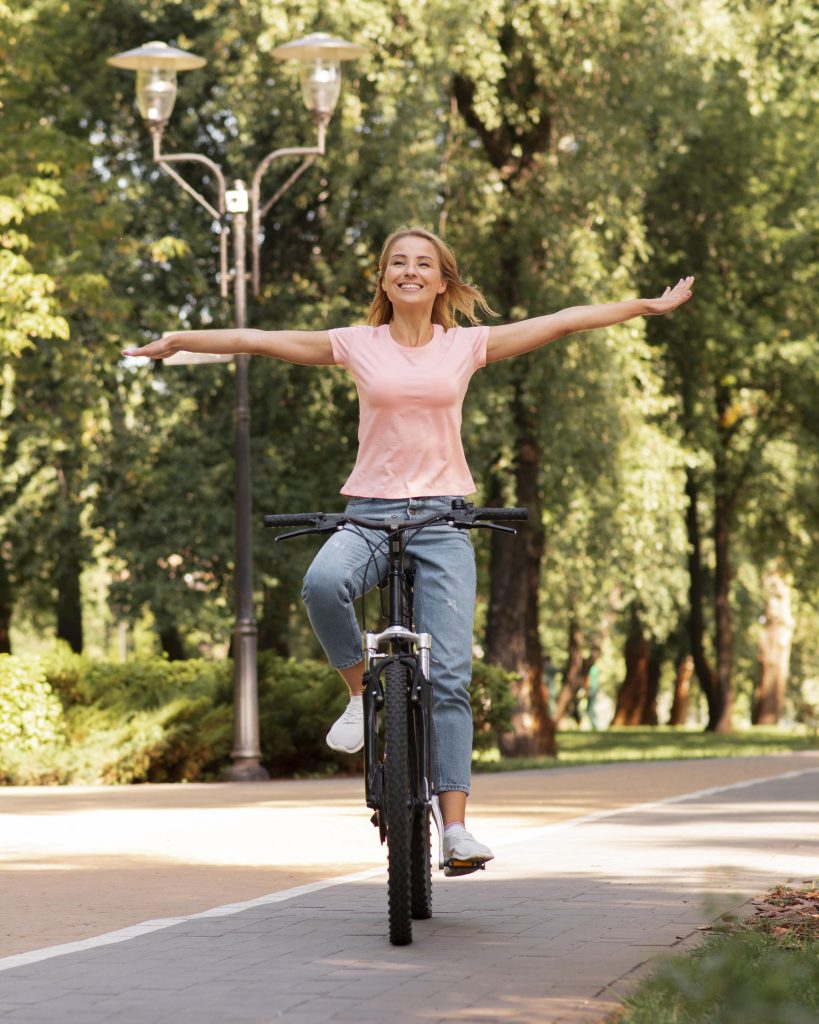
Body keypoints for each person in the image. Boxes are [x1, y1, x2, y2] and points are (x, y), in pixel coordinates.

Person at [124, 225, 694, 870]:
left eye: (423, 263)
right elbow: (260, 340)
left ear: (443, 280)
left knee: (449, 676)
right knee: (321, 584)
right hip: (368, 514)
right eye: (398, 262)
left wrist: (643, 307)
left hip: (444, 520)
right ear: (384, 278)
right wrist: (180, 342)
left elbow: (562, 321)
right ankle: (360, 690)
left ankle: (454, 830)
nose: (410, 270)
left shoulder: (466, 346)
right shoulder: (355, 344)